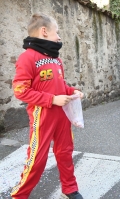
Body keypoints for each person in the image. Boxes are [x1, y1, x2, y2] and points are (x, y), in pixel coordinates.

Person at [11, 13, 84, 199]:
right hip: (42, 116)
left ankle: (69, 189)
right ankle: (19, 195)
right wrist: (52, 100)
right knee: (37, 159)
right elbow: (20, 90)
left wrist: (72, 91)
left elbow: (61, 87)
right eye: (56, 32)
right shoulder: (27, 57)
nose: (59, 37)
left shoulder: (56, 59)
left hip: (62, 116)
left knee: (66, 152)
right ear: (44, 31)